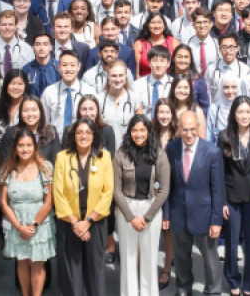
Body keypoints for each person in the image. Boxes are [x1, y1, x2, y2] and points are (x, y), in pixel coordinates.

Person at [165, 109, 226, 295]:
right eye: (185, 129)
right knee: (181, 256)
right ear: (178, 129)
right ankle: (183, 288)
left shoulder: (212, 152)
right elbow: (167, 184)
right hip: (178, 214)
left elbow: (218, 189)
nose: (189, 134)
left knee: (210, 259)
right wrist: (166, 214)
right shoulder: (171, 148)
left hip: (204, 216)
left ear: (199, 128)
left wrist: (216, 220)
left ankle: (213, 291)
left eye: (193, 129)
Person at [52, 117, 114, 296]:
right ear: (73, 136)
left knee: (95, 269)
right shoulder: (62, 157)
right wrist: (75, 222)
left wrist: (87, 222)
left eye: (88, 132)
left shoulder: (104, 157)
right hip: (69, 221)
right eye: (80, 132)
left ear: (94, 135)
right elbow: (58, 192)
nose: (84, 136)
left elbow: (107, 192)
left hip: (95, 221)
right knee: (72, 268)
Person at [114, 115, 172, 296]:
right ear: (129, 132)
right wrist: (131, 217)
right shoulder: (120, 154)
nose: (138, 134)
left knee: (149, 258)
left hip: (151, 208)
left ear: (148, 131)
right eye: (134, 130)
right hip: (127, 208)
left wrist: (146, 217)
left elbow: (164, 190)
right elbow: (116, 190)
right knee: (128, 257)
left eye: (142, 130)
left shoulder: (160, 154)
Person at [0, 128, 56, 296]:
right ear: (15, 148)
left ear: (35, 146)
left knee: (37, 264)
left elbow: (48, 201)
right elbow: (4, 203)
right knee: (22, 262)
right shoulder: (7, 169)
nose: (25, 149)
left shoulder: (45, 168)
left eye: (29, 145)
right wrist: (19, 227)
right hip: (17, 224)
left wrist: (33, 225)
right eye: (21, 145)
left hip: (39, 224)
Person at [217, 96, 250, 296]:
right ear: (233, 114)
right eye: (240, 112)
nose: (244, 116)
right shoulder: (224, 136)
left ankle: (249, 283)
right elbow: (219, 171)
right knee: (232, 239)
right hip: (232, 197)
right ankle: (233, 280)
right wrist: (222, 201)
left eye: (248, 112)